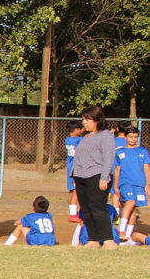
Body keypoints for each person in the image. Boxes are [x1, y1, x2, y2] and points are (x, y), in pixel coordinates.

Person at [71, 106, 117, 249]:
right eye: (83, 119)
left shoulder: (105, 135)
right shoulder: (85, 137)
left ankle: (108, 240)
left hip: (96, 175)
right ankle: (93, 240)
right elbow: (79, 157)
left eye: (87, 119)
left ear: (97, 120)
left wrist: (104, 177)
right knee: (86, 209)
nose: (84, 122)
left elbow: (108, 157)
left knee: (97, 208)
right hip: (80, 176)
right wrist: (74, 174)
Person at [113, 126, 149, 243]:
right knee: (130, 202)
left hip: (139, 184)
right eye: (130, 137)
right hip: (125, 183)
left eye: (135, 137)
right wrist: (115, 186)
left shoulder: (143, 151)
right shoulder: (119, 152)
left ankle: (127, 238)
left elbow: (146, 168)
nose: (133, 139)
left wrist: (147, 184)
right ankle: (121, 230)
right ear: (126, 137)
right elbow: (117, 170)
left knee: (134, 210)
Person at [64, 120, 84, 223]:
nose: (82, 130)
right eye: (80, 129)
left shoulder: (68, 139)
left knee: (71, 190)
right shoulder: (79, 140)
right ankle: (72, 214)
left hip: (70, 167)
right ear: (76, 129)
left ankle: (72, 212)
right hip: (77, 168)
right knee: (77, 190)